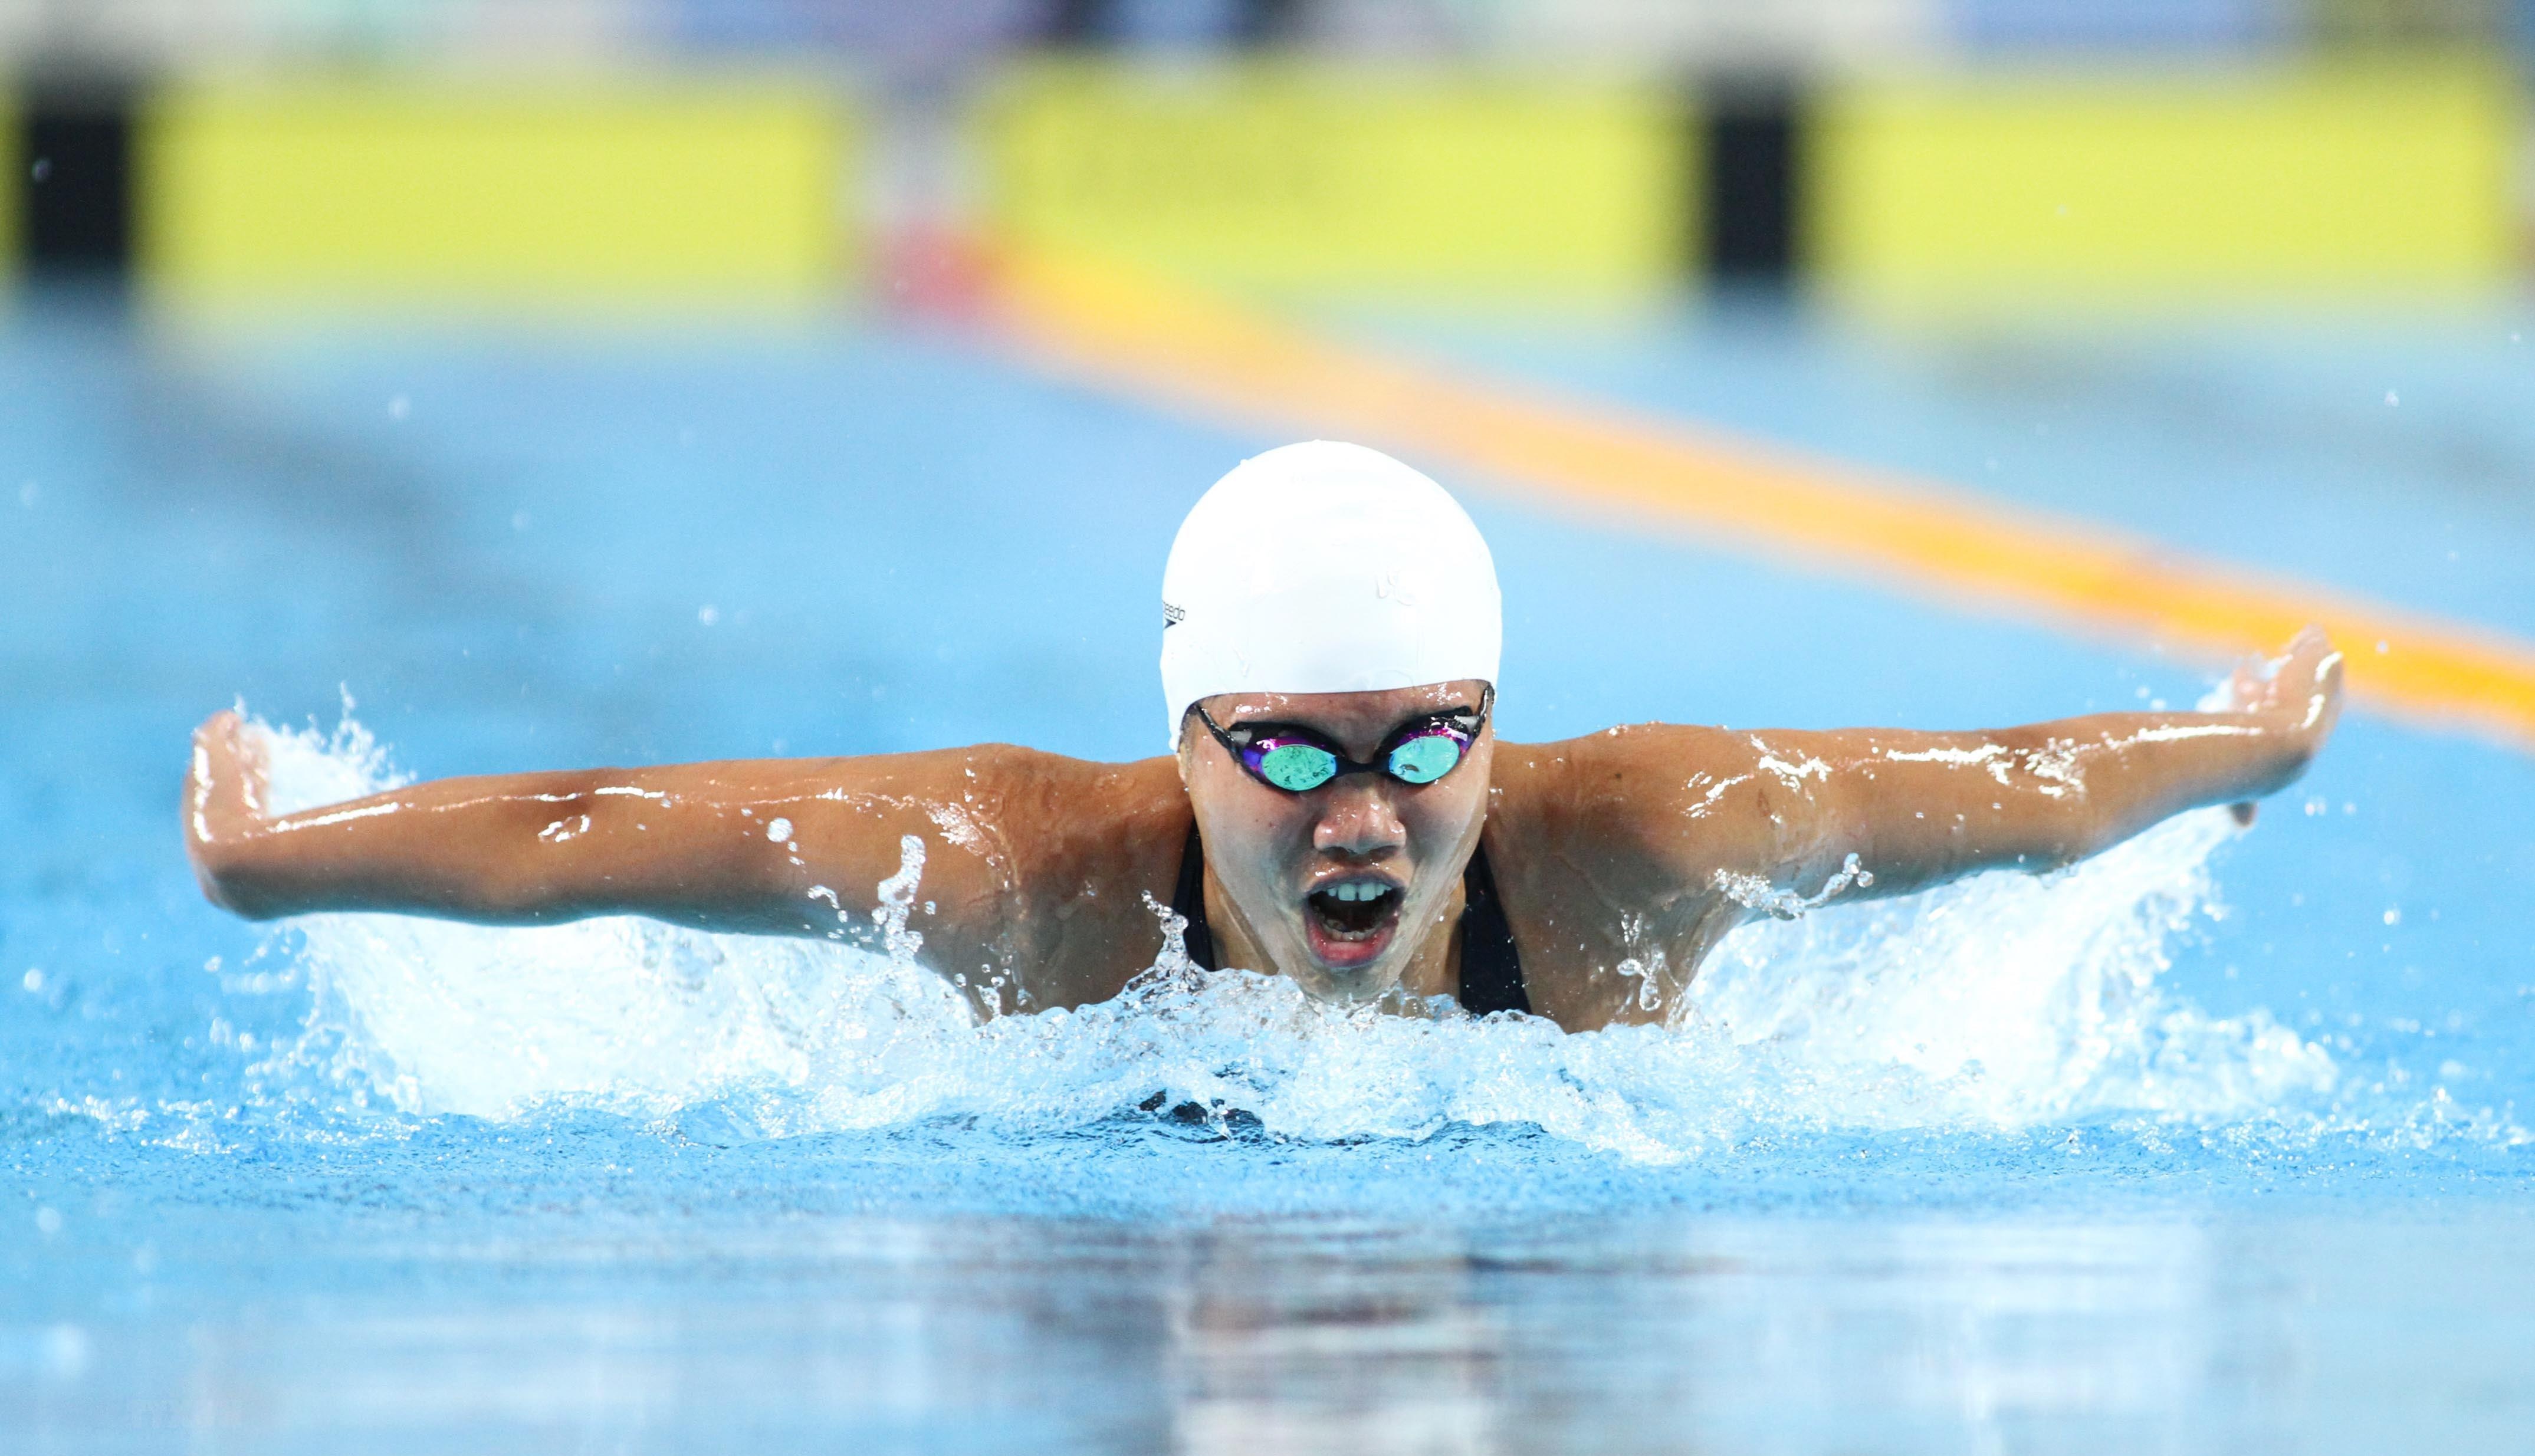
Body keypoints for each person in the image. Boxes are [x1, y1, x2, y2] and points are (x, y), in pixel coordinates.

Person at [183, 441, 2344, 1031]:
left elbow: (2035, 802)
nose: (1368, 816)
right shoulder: (1032, 882)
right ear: (1189, 742)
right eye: (1290, 755)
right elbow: (604, 825)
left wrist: (2240, 745)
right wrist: (278, 852)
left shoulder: (1643, 850)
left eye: (1425, 745)